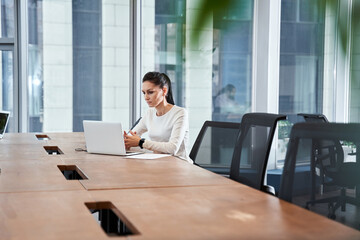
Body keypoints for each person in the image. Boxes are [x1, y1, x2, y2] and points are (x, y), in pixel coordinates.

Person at [124, 72, 192, 163]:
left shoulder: (180, 113)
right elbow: (132, 137)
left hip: (179, 164)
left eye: (150, 92)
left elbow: (172, 148)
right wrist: (126, 142)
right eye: (144, 93)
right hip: (159, 162)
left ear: (164, 91)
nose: (146, 97)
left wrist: (141, 142)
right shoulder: (150, 113)